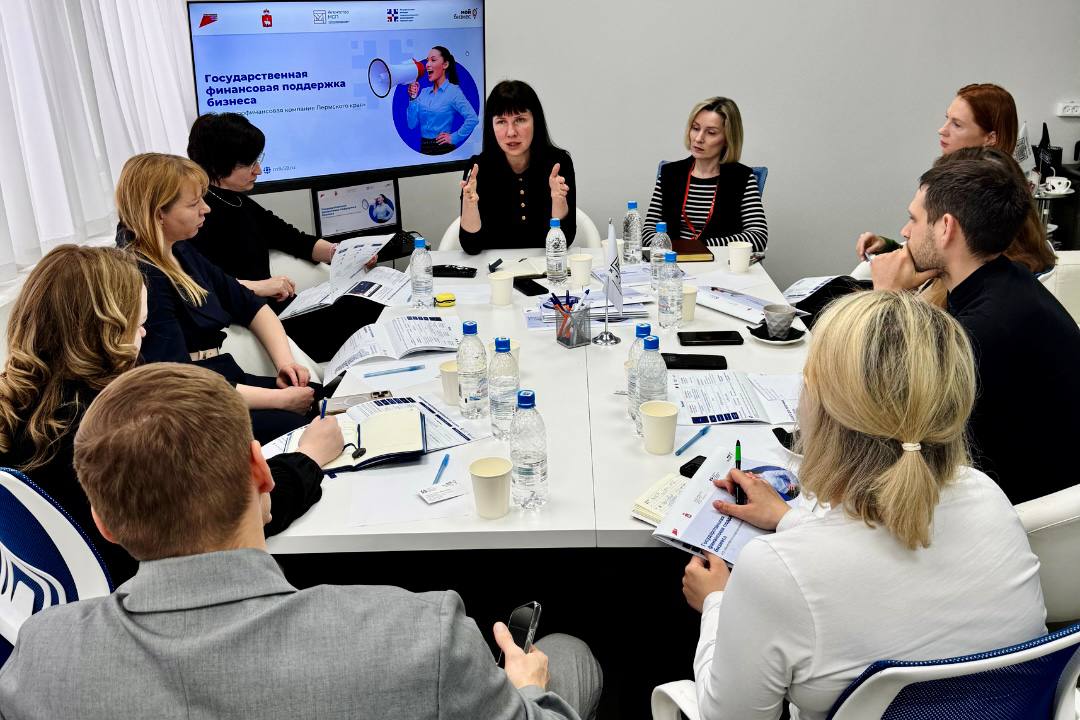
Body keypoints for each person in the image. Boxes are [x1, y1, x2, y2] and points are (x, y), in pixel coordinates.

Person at [0, 363, 603, 719]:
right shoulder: (423, 635)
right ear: (261, 472)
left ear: (103, 522)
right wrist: (528, 692)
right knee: (567, 654)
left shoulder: (41, 660)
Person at [679, 291, 1046, 720]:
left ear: (823, 413)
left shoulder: (774, 573)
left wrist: (717, 603)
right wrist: (788, 519)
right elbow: (870, 563)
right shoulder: (988, 497)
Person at [0, 246, 343, 586]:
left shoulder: (16, 405)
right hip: (161, 589)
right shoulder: (128, 426)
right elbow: (233, 524)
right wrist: (308, 457)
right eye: (139, 324)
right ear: (108, 332)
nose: (145, 334)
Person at [871, 147, 1080, 502]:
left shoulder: (985, 329)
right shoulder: (1005, 279)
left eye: (914, 220)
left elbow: (884, 408)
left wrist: (885, 299)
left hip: (1015, 507)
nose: (905, 231)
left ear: (946, 228)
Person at [115, 152, 320, 444]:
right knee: (300, 423)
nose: (206, 209)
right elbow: (179, 381)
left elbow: (249, 304)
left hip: (224, 379)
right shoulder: (145, 277)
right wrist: (281, 400)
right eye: (193, 204)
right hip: (198, 405)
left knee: (321, 396)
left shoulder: (181, 250)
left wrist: (286, 364)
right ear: (159, 213)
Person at [186, 112, 383, 362]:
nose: (258, 170)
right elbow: (201, 284)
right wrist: (262, 287)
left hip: (285, 307)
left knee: (368, 304)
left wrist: (344, 254)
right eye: (249, 164)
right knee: (365, 318)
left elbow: (296, 240)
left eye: (257, 160)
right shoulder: (197, 219)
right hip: (258, 319)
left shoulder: (241, 203)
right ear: (219, 165)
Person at [856, 83, 1055, 293]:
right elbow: (940, 253)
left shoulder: (987, 200)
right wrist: (888, 247)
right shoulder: (968, 186)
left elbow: (948, 259)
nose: (942, 130)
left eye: (957, 124)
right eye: (947, 119)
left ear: (990, 138)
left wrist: (887, 292)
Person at [458, 80, 576, 254]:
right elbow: (471, 247)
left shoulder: (558, 163)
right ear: (491, 126)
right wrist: (470, 205)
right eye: (501, 121)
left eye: (520, 120)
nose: (511, 132)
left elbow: (565, 240)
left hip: (545, 266)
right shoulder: (477, 167)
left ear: (535, 121)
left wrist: (558, 200)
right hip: (493, 269)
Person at [642, 97, 767, 252]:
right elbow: (647, 232)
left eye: (711, 132)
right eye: (695, 128)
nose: (699, 138)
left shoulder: (741, 178)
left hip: (718, 263)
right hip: (671, 261)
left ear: (728, 139)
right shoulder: (670, 174)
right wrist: (678, 250)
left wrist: (700, 247)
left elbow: (758, 236)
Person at [406, 45, 479, 155]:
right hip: (424, 148)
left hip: (443, 149)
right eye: (427, 60)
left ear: (445, 64)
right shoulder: (424, 92)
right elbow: (411, 124)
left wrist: (454, 137)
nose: (427, 64)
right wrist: (413, 98)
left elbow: (472, 118)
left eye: (433, 60)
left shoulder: (453, 91)